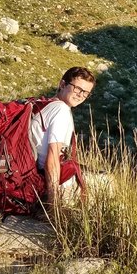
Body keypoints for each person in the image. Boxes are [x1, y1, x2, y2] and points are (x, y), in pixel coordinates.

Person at [29, 66, 95, 208]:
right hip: (47, 183)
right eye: (77, 89)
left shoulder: (45, 105)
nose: (80, 95)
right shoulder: (61, 111)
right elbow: (52, 158)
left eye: (86, 93)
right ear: (62, 84)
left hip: (31, 176)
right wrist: (54, 205)